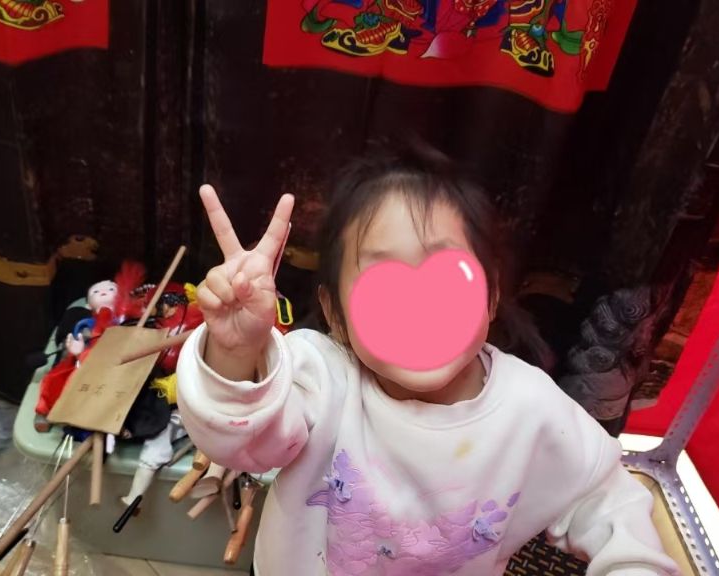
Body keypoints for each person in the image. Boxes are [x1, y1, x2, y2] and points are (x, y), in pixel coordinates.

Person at [176, 143, 679, 575]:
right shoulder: (318, 376)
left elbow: (604, 497)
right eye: (384, 284)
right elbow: (238, 441)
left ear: (491, 295)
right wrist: (236, 352)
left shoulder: (531, 408)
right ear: (335, 314)